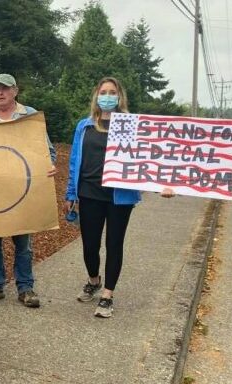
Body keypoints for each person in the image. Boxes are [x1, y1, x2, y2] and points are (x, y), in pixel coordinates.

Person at [64, 77, 173, 318]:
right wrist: (71, 192)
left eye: (113, 92)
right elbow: (74, 161)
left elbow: (149, 159)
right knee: (90, 245)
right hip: (89, 192)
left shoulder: (132, 126)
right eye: (104, 91)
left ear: (120, 97)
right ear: (96, 95)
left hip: (119, 196)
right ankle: (94, 280)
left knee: (114, 244)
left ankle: (107, 296)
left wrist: (162, 185)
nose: (108, 96)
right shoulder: (84, 126)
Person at [0, 73, 56, 308]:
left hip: (22, 191)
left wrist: (49, 166)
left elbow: (48, 152)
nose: (0, 93)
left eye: (4, 88)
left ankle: (25, 288)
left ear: (15, 91)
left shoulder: (30, 117)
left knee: (23, 242)